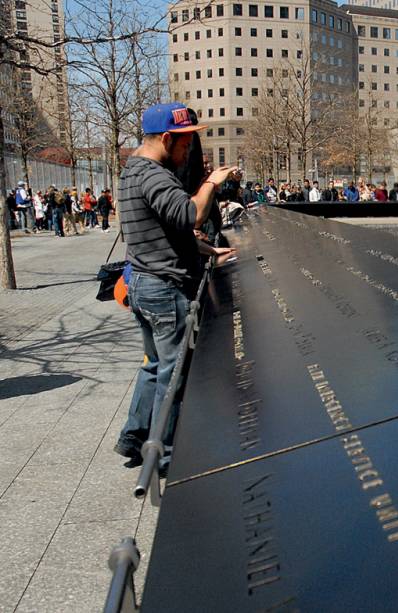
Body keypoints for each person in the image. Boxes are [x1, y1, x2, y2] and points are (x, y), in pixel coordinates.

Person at [113, 102, 236, 471]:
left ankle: (133, 437)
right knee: (174, 370)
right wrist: (211, 184)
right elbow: (191, 215)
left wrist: (209, 249)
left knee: (153, 365)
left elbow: (168, 230)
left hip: (144, 286)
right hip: (163, 291)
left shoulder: (132, 171)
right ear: (167, 139)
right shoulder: (153, 174)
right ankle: (165, 452)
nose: (187, 152)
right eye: (184, 143)